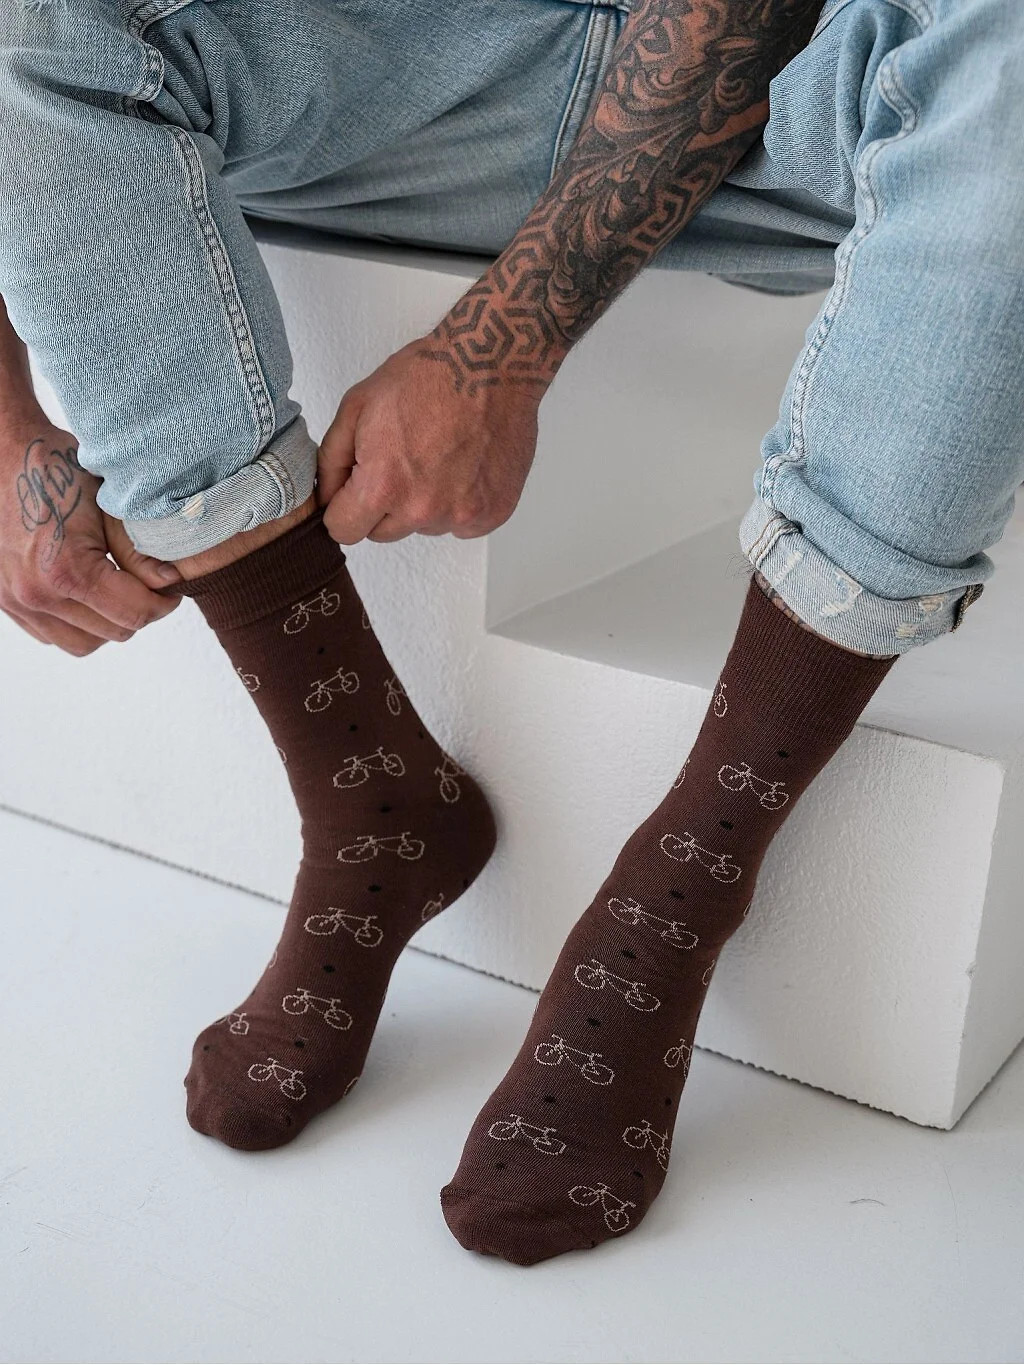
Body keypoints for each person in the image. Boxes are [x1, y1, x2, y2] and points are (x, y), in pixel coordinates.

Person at [0, 0, 1019, 1266]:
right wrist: (7, 424)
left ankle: (677, 889)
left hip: (801, 106)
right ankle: (371, 800)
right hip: (405, 80)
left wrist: (502, 343)